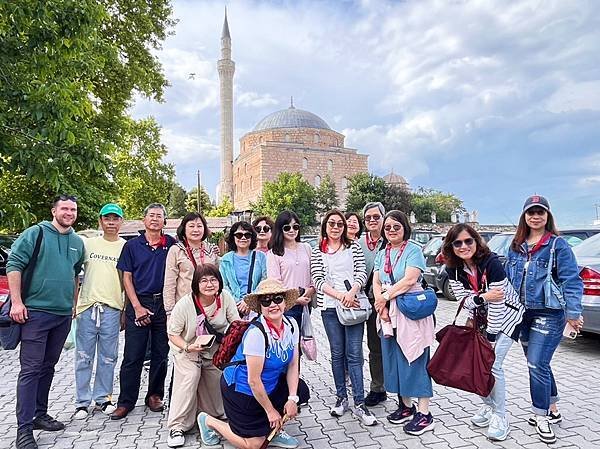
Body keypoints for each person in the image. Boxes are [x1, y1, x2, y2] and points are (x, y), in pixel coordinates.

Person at [7, 194, 85, 449]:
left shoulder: (77, 242)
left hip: (62, 315)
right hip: (35, 313)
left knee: (48, 366)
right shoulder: (35, 233)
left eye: (72, 209)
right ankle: (23, 429)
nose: (69, 213)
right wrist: (17, 302)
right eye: (64, 208)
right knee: (30, 370)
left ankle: (40, 414)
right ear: (54, 211)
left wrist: (73, 305)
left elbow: (75, 275)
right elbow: (14, 265)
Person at [505, 195, 583, 444]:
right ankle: (553, 408)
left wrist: (573, 313)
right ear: (524, 216)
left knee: (536, 364)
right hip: (522, 314)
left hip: (549, 313)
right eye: (531, 212)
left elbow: (572, 280)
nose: (535, 216)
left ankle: (540, 416)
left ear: (548, 215)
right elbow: (507, 278)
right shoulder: (516, 245)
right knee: (538, 363)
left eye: (540, 212)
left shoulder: (557, 245)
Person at [197, 279, 309, 449]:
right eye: (266, 301)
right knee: (254, 445)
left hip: (269, 385)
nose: (273, 305)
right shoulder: (256, 333)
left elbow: (293, 365)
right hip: (242, 391)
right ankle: (209, 422)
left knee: (300, 390)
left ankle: (274, 431)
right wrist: (271, 411)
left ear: (285, 302)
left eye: (278, 298)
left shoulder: (291, 325)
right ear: (260, 306)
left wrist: (292, 399)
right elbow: (253, 380)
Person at [443, 224, 525, 441]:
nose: (463, 246)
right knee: (476, 363)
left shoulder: (491, 263)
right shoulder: (453, 269)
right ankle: (489, 407)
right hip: (481, 317)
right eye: (457, 243)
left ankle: (500, 416)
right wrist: (483, 298)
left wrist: (490, 337)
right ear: (451, 246)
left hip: (508, 317)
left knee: (492, 364)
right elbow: (464, 301)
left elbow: (499, 303)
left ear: (476, 241)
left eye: (468, 241)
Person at [310, 210, 377, 426]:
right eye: (332, 223)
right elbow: (318, 280)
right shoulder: (317, 250)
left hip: (353, 306)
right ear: (325, 226)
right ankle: (341, 398)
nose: (336, 227)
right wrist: (340, 296)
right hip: (330, 307)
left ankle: (359, 402)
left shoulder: (353, 246)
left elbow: (361, 272)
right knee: (337, 354)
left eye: (340, 223)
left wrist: (351, 293)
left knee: (355, 354)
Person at [111, 203, 176, 420]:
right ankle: (126, 401)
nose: (155, 219)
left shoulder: (171, 245)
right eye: (151, 215)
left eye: (159, 216)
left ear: (164, 222)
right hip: (139, 303)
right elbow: (126, 278)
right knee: (133, 355)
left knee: (160, 354)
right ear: (144, 219)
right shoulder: (132, 246)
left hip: (163, 305)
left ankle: (155, 395)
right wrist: (137, 307)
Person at [372, 210, 435, 435]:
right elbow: (376, 280)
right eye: (387, 227)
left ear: (404, 228)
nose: (391, 231)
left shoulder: (413, 250)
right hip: (388, 313)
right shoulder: (383, 252)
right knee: (396, 361)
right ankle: (406, 407)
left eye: (396, 227)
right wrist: (380, 302)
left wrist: (384, 298)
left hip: (409, 312)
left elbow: (409, 280)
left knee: (415, 359)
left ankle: (425, 413)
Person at [166, 264, 239, 447]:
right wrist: (188, 347)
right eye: (204, 280)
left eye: (213, 279)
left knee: (216, 381)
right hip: (187, 349)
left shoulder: (225, 297)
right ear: (196, 284)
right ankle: (177, 426)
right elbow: (172, 333)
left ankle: (207, 416)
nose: (209, 284)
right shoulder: (185, 304)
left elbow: (235, 323)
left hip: (213, 350)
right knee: (190, 377)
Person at [73, 204, 127, 420]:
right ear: (101, 221)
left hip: (113, 309)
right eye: (107, 218)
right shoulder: (88, 245)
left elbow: (127, 280)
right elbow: (74, 273)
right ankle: (82, 402)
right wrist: (75, 304)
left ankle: (103, 398)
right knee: (83, 357)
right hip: (87, 308)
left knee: (108, 357)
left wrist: (124, 309)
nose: (111, 222)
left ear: (121, 222)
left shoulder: (126, 247)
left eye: (115, 218)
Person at [357, 202, 387, 407]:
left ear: (383, 218)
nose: (372, 221)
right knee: (374, 347)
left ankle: (402, 388)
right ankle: (378, 388)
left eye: (376, 217)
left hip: (389, 301)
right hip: (364, 301)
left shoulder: (393, 239)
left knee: (394, 345)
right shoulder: (357, 243)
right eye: (368, 218)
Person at [164, 212, 220, 316]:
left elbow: (219, 277)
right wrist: (170, 312)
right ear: (184, 229)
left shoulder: (211, 249)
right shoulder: (176, 250)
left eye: (199, 226)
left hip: (210, 308)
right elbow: (169, 283)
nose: (196, 230)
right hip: (186, 307)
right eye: (191, 226)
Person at [267, 210, 315, 328]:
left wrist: (312, 289)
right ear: (280, 229)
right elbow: (275, 283)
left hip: (306, 303)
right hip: (286, 306)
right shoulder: (274, 253)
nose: (292, 230)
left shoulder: (306, 248)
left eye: (295, 226)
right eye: (287, 227)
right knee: (290, 342)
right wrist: (295, 299)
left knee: (305, 341)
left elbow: (314, 272)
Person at [219, 221, 267, 318]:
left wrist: (249, 301)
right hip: (232, 308)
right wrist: (237, 303)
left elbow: (264, 281)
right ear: (233, 237)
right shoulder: (225, 260)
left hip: (256, 306)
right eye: (239, 235)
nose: (243, 238)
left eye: (247, 235)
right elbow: (223, 285)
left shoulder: (261, 257)